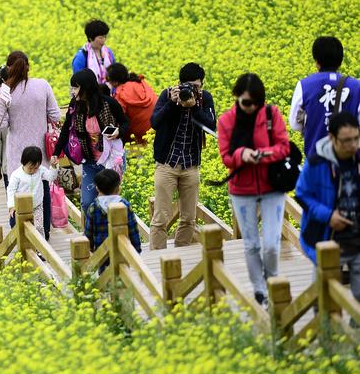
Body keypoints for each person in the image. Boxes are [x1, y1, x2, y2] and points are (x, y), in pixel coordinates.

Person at [216, 73, 290, 305]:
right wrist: (242, 155)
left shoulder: (270, 114)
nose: (252, 107)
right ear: (237, 97)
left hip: (272, 186)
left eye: (257, 103)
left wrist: (263, 155)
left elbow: (284, 147)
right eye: (247, 102)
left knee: (270, 244)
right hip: (242, 189)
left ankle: (273, 280)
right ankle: (260, 291)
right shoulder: (226, 121)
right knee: (251, 244)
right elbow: (226, 156)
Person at [0, 51, 62, 239]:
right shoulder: (42, 85)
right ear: (28, 66)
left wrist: (4, 103)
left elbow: (0, 125)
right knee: (42, 197)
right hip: (41, 157)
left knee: (15, 196)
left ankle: (21, 237)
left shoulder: (4, 93)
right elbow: (55, 115)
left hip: (16, 158)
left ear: (8, 68)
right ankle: (43, 234)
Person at [148, 62, 216, 249]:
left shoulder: (204, 99)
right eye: (188, 86)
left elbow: (211, 127)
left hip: (191, 165)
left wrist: (194, 107)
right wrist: (172, 103)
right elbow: (154, 122)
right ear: (179, 83)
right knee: (161, 217)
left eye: (196, 87)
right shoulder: (168, 95)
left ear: (201, 85)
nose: (192, 90)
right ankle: (157, 258)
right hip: (167, 164)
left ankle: (182, 254)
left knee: (188, 218)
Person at [296, 112, 360, 302]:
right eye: (346, 141)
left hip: (357, 238)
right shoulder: (317, 162)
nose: (353, 145)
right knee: (323, 298)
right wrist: (328, 216)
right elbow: (302, 194)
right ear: (332, 138)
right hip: (328, 239)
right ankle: (327, 331)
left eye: (357, 138)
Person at [54, 69, 129, 214]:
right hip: (89, 161)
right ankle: (94, 233)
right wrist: (56, 153)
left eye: (75, 87)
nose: (72, 91)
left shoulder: (108, 103)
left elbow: (125, 123)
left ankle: (109, 233)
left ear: (86, 88)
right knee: (87, 202)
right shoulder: (75, 106)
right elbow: (66, 130)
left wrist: (119, 132)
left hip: (110, 160)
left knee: (110, 203)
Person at [289, 36, 360, 157]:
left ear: (316, 61)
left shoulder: (304, 85)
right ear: (341, 61)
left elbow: (294, 123)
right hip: (349, 159)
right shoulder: (356, 86)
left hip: (315, 158)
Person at [83, 169, 142, 256]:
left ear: (97, 188)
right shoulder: (125, 205)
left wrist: (91, 249)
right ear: (118, 187)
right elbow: (133, 230)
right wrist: (137, 250)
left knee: (103, 270)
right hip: (122, 252)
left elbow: (89, 233)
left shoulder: (93, 207)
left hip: (101, 254)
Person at [6, 146, 58, 237]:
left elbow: (51, 177)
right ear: (23, 163)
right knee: (17, 225)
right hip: (21, 207)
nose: (33, 171)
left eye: (35, 168)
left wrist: (53, 167)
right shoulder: (16, 175)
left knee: (39, 227)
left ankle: (40, 248)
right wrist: (11, 206)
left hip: (37, 205)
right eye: (30, 168)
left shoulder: (41, 170)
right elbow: (11, 191)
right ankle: (21, 245)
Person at [106, 63, 157, 144]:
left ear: (115, 82)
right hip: (155, 132)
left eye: (107, 79)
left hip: (137, 140)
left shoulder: (120, 94)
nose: (106, 81)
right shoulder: (141, 82)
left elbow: (115, 119)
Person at [71, 19, 115, 86]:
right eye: (100, 38)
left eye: (105, 37)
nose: (103, 40)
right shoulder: (81, 57)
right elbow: (78, 82)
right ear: (91, 38)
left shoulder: (108, 53)